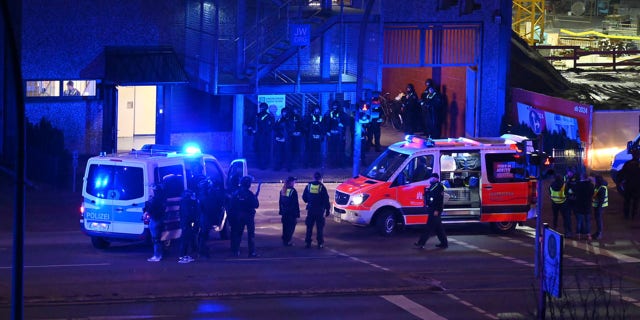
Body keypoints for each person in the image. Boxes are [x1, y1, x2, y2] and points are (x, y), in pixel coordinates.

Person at [228, 176, 260, 257]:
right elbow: (256, 205)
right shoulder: (249, 194)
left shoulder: (236, 193)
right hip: (248, 217)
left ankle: (236, 251)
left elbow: (231, 205)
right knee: (251, 235)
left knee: (238, 234)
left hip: (238, 216)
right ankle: (251, 252)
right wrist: (255, 198)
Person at [414, 173, 448, 249]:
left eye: (432, 177)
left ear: (436, 178)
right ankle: (444, 243)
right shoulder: (433, 186)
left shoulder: (439, 187)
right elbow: (429, 195)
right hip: (432, 208)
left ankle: (421, 243)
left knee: (428, 227)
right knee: (439, 228)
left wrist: (437, 210)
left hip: (435, 209)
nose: (431, 179)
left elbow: (439, 200)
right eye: (431, 177)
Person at [196, 178, 225, 258]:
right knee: (203, 236)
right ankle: (202, 252)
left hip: (203, 218)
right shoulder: (206, 197)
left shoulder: (200, 196)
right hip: (205, 218)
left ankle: (201, 251)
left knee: (203, 235)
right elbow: (214, 207)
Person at [302, 172, 331, 248]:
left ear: (313, 177)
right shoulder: (322, 187)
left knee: (309, 227)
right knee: (319, 228)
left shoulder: (309, 186)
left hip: (311, 209)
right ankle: (320, 243)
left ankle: (307, 243)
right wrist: (328, 209)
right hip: (319, 210)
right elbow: (326, 199)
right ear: (320, 178)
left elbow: (304, 197)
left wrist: (309, 201)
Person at [144, 183, 166, 262]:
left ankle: (157, 256)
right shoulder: (162, 198)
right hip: (160, 219)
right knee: (158, 238)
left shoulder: (155, 200)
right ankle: (160, 254)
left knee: (155, 239)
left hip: (155, 219)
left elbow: (151, 210)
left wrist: (147, 204)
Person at [324, 102, 348, 168]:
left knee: (340, 149)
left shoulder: (342, 114)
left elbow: (347, 122)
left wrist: (342, 125)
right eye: (333, 106)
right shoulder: (329, 113)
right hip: (332, 135)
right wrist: (327, 131)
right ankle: (332, 163)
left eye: (336, 106)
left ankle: (340, 163)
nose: (334, 108)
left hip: (339, 134)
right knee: (332, 149)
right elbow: (326, 122)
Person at [617, 149, 640, 220]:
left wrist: (619, 182)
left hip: (628, 185)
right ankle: (633, 215)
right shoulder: (638, 164)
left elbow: (621, 173)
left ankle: (626, 215)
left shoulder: (628, 163)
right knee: (635, 201)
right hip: (637, 186)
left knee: (627, 201)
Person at [178, 189, 198, 263]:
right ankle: (182, 256)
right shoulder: (185, 203)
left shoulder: (185, 202)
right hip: (186, 223)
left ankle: (185, 255)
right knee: (184, 240)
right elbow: (188, 213)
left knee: (186, 240)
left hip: (186, 223)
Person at [279, 176, 300, 246]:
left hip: (284, 212)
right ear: (291, 182)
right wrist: (297, 213)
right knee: (291, 227)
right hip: (291, 213)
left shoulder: (282, 190)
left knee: (285, 227)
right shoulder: (293, 191)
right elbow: (295, 203)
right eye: (294, 181)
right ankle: (288, 240)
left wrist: (281, 211)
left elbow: (280, 202)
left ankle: (285, 240)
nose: (295, 182)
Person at [254, 102, 275, 170]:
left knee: (265, 150)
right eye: (261, 107)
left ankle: (264, 165)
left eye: (263, 107)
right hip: (259, 135)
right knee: (259, 149)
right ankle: (260, 164)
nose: (261, 108)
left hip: (266, 136)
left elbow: (271, 126)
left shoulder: (269, 116)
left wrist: (266, 131)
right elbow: (254, 124)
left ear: (266, 108)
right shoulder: (258, 115)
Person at [574, 172, 594, 241]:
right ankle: (588, 235)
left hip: (579, 205)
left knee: (579, 221)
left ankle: (578, 235)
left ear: (582, 177)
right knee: (587, 221)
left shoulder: (578, 185)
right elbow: (592, 194)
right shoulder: (591, 185)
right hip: (587, 205)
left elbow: (575, 193)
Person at [273, 107, 293, 171]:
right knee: (279, 153)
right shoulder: (279, 120)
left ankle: (288, 167)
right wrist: (277, 137)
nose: (284, 113)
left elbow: (291, 129)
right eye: (283, 112)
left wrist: (285, 137)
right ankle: (278, 166)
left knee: (287, 153)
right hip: (279, 139)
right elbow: (275, 128)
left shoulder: (290, 120)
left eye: (285, 112)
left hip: (287, 140)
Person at [592, 175, 608, 240]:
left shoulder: (602, 188)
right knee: (597, 220)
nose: (594, 181)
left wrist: (599, 207)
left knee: (599, 220)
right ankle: (597, 232)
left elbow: (601, 199)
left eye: (594, 180)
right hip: (597, 206)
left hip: (599, 207)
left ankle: (599, 233)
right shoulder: (598, 186)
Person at [563, 167, 578, 238]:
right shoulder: (566, 177)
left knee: (578, 216)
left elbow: (575, 188)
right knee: (567, 217)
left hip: (574, 200)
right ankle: (568, 232)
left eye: (569, 172)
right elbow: (565, 187)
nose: (567, 173)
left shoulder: (575, 178)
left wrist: (572, 193)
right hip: (568, 200)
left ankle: (579, 232)